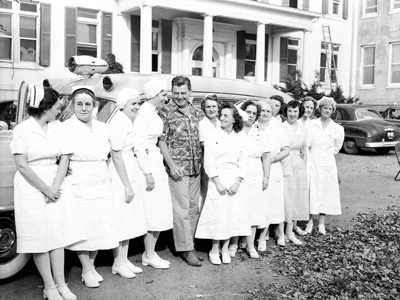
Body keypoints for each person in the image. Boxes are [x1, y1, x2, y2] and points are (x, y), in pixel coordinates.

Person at [10, 86, 84, 300]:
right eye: (56, 106)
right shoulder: (22, 130)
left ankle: (62, 284)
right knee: (39, 237)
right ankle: (49, 286)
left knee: (56, 235)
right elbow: (21, 165)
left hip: (55, 182)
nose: (60, 109)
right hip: (31, 186)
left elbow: (65, 159)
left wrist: (55, 187)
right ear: (45, 107)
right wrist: (45, 189)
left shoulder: (58, 128)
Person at [62, 86, 119, 288]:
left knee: (98, 224)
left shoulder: (102, 127)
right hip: (79, 180)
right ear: (72, 105)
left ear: (94, 106)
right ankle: (86, 269)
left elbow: (110, 154)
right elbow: (57, 154)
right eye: (79, 104)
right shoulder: (65, 127)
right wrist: (63, 165)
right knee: (83, 227)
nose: (84, 108)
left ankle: (92, 266)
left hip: (100, 178)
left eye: (88, 104)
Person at [195, 103, 250, 265]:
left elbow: (244, 161)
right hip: (217, 180)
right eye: (222, 115)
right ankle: (214, 250)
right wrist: (217, 181)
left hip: (234, 180)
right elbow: (209, 162)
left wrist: (238, 182)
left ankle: (225, 249)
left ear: (234, 119)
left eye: (226, 115)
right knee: (217, 215)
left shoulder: (240, 136)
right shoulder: (213, 135)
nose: (222, 118)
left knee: (231, 215)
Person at [158, 76, 204, 267]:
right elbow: (161, 141)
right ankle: (185, 250)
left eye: (183, 93)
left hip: (196, 168)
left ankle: (190, 245)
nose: (179, 97)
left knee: (193, 208)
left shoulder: (195, 112)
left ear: (190, 92)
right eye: (176, 93)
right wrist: (172, 165)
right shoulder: (165, 113)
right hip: (178, 169)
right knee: (181, 211)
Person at [133, 80, 173, 269]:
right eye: (164, 94)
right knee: (152, 211)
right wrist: (148, 172)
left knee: (158, 209)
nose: (167, 97)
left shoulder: (152, 112)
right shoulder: (142, 114)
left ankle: (150, 253)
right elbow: (140, 146)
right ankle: (148, 254)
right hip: (147, 164)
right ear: (155, 94)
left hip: (155, 161)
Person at [107, 88, 147, 278]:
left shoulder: (128, 121)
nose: (137, 107)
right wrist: (127, 185)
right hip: (119, 173)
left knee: (128, 217)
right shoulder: (118, 123)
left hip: (128, 169)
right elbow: (116, 155)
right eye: (133, 103)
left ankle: (123, 259)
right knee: (121, 218)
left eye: (138, 103)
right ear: (123, 105)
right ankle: (117, 262)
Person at [231, 100, 271, 259]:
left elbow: (266, 155)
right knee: (237, 207)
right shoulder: (235, 131)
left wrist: (266, 176)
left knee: (254, 207)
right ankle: (233, 243)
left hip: (255, 172)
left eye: (255, 113)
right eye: (248, 112)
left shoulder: (259, 132)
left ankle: (250, 244)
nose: (251, 116)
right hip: (238, 172)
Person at [305, 97, 344, 235]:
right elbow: (307, 144)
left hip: (328, 164)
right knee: (312, 190)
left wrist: (326, 157)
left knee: (325, 192)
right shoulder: (311, 125)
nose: (327, 110)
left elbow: (336, 147)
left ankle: (321, 222)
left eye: (330, 108)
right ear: (320, 109)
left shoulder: (338, 128)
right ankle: (309, 221)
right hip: (313, 161)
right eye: (324, 108)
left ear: (333, 111)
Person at [256, 100, 290, 250]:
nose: (264, 113)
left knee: (274, 202)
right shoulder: (253, 127)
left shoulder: (277, 128)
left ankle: (276, 235)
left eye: (268, 111)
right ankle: (258, 236)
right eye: (262, 110)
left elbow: (286, 150)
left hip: (274, 168)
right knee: (260, 203)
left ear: (272, 113)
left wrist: (272, 160)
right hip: (257, 168)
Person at [281, 100, 309, 244]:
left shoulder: (303, 129)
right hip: (285, 161)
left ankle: (291, 230)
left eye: (295, 111)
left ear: (300, 112)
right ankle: (284, 232)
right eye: (290, 111)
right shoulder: (282, 127)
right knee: (287, 195)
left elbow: (304, 150)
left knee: (297, 195)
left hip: (298, 163)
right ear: (286, 112)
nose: (292, 114)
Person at [199, 93, 222, 207]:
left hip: (222, 162)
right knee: (208, 195)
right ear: (204, 108)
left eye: (214, 106)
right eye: (208, 107)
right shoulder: (202, 125)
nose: (211, 109)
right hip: (208, 162)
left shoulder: (221, 123)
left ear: (218, 108)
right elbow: (205, 145)